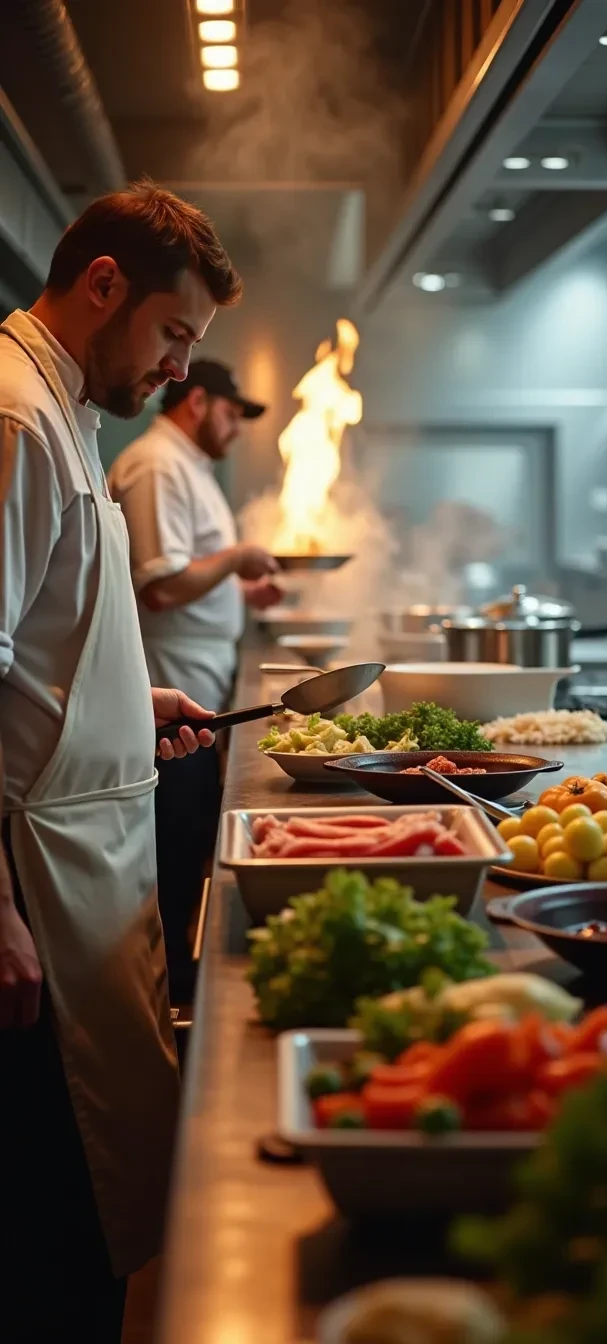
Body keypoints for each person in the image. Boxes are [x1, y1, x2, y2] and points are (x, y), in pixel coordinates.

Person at [0, 181, 242, 1342]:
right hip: (29, 890)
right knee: (47, 1236)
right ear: (104, 284)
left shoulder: (69, 409)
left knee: (85, 1223)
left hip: (85, 870)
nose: (181, 373)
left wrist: (121, 697)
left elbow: (40, 640)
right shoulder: (12, 413)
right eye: (173, 335)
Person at [108, 361, 280, 1002]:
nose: (236, 430)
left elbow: (190, 571)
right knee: (174, 846)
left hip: (198, 671)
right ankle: (174, 989)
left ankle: (179, 977)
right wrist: (235, 559)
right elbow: (161, 586)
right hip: (168, 681)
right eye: (232, 414)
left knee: (186, 839)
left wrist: (241, 591)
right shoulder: (157, 464)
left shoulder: (189, 466)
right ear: (197, 401)